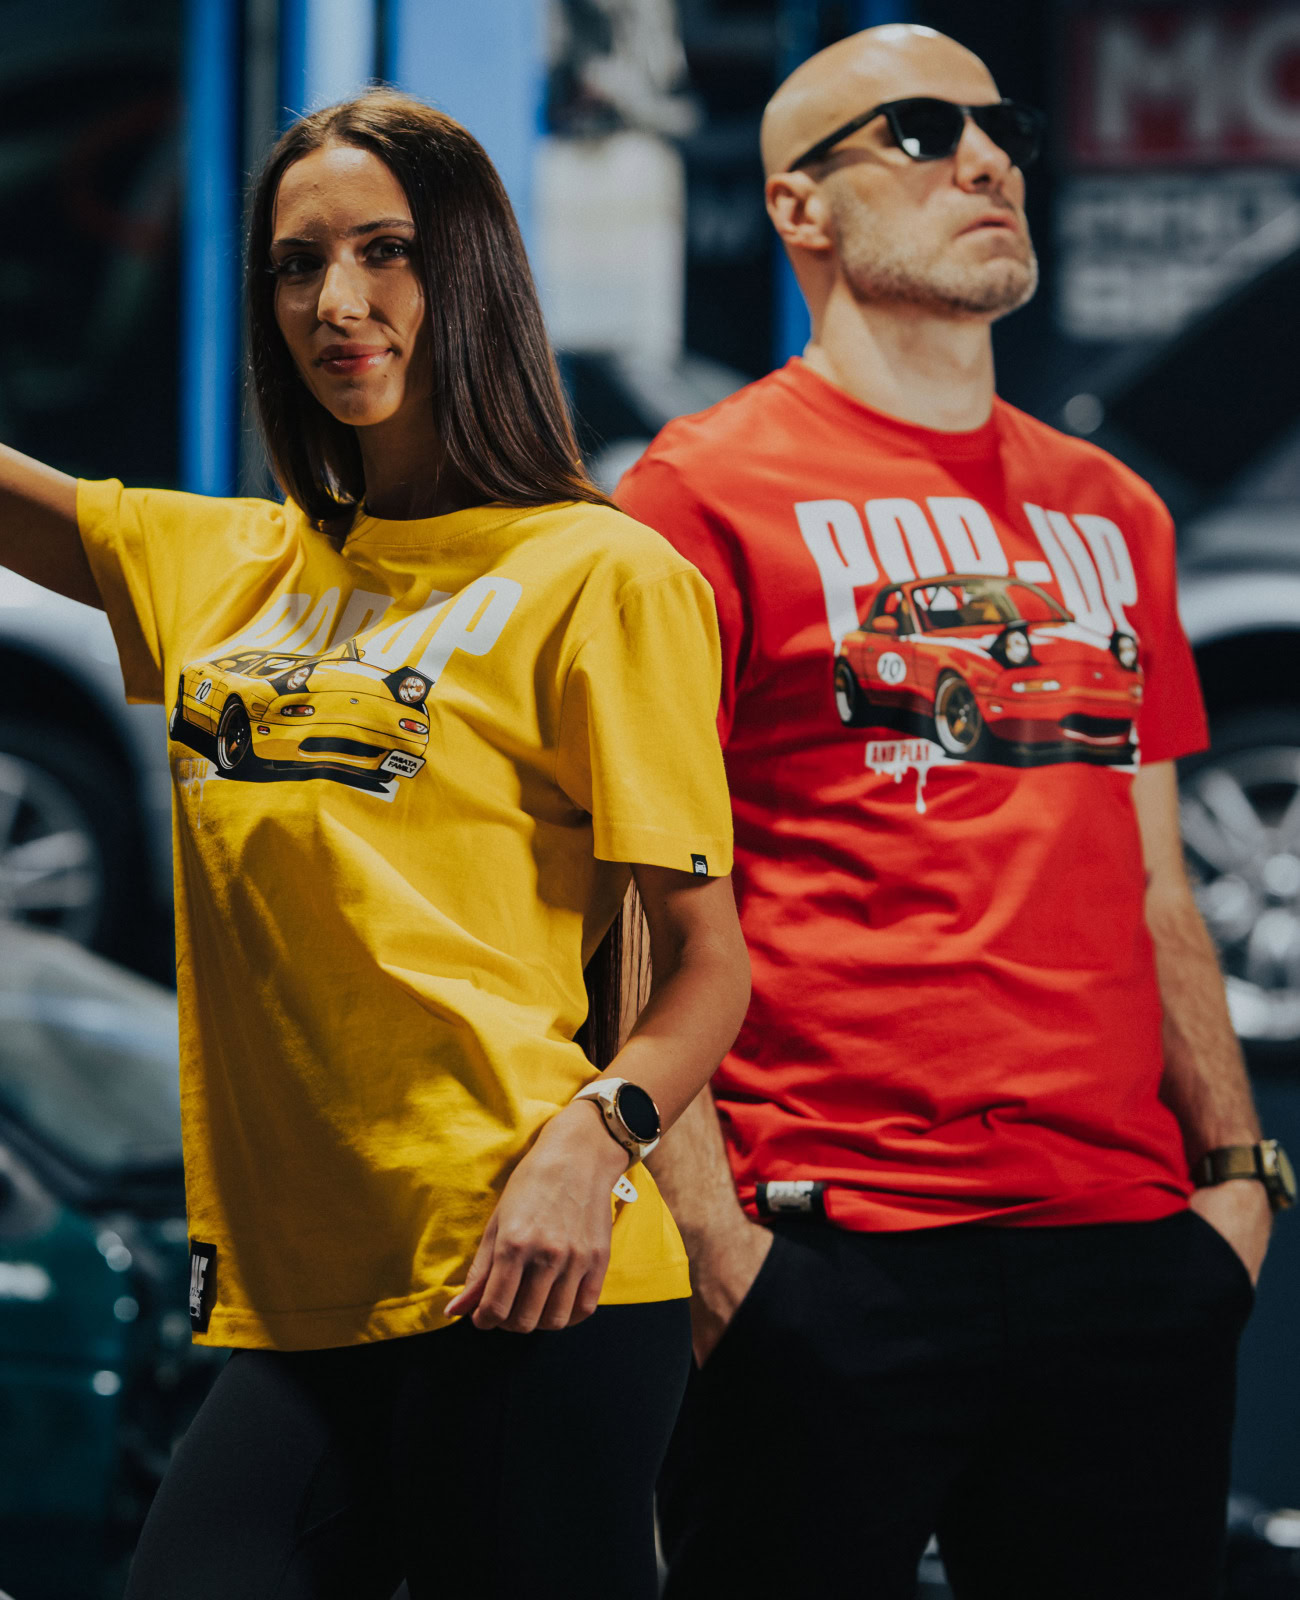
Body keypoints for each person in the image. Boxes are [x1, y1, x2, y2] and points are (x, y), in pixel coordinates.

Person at [0, 91, 750, 1599]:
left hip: (534, 1276)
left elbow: (708, 970)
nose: (336, 303)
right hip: (294, 1299)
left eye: (386, 252)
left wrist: (592, 1146)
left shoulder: (600, 574)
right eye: (297, 265)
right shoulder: (227, 567)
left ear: (466, 269)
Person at [617, 25, 1294, 1600]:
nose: (984, 162)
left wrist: (1239, 1187)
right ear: (799, 207)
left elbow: (1155, 888)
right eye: (919, 133)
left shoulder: (1108, 508)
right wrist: (717, 1247)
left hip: (1128, 1253)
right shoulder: (698, 495)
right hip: (833, 1246)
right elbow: (638, 895)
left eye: (999, 133)